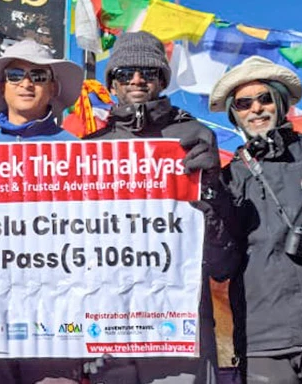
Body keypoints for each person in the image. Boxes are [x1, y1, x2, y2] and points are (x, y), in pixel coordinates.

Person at [85, 31, 240, 384]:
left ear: (162, 80)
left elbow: (221, 251)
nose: (137, 80)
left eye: (148, 72)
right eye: (125, 73)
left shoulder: (195, 136)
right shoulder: (90, 148)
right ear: (112, 82)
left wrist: (212, 186)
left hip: (177, 317)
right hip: (109, 319)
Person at [0, 39, 84, 384]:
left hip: (57, 319)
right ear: (2, 86)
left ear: (53, 87)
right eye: (16, 74)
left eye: (38, 75)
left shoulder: (78, 151)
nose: (26, 83)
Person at [209, 57, 302, 384]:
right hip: (262, 337)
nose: (256, 109)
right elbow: (220, 264)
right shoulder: (225, 179)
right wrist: (210, 197)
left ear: (280, 103)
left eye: (265, 98)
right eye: (244, 103)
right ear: (235, 115)